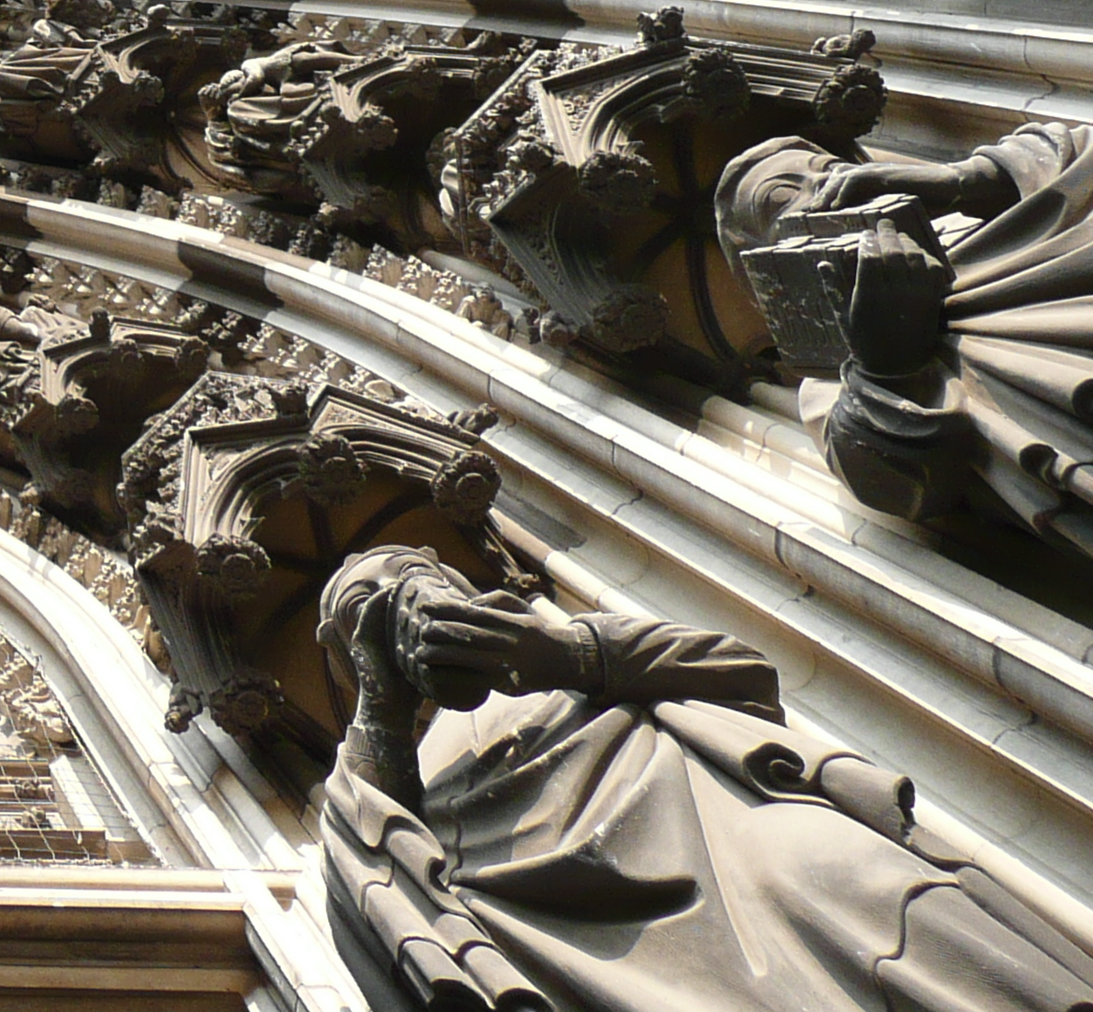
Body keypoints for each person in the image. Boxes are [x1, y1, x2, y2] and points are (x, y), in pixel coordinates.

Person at [317, 545, 1093, 1012]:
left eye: (417, 582)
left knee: (865, 883)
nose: (403, 607)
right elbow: (386, 892)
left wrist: (567, 655)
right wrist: (382, 710)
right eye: (367, 610)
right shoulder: (386, 780)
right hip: (591, 940)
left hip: (730, 842)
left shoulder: (558, 646)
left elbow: (742, 675)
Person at [717, 122, 1093, 554]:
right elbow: (890, 481)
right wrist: (889, 363)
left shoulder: (980, 217)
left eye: (828, 167)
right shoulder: (831, 374)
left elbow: (1076, 151)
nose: (827, 181)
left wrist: (965, 181)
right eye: (783, 195)